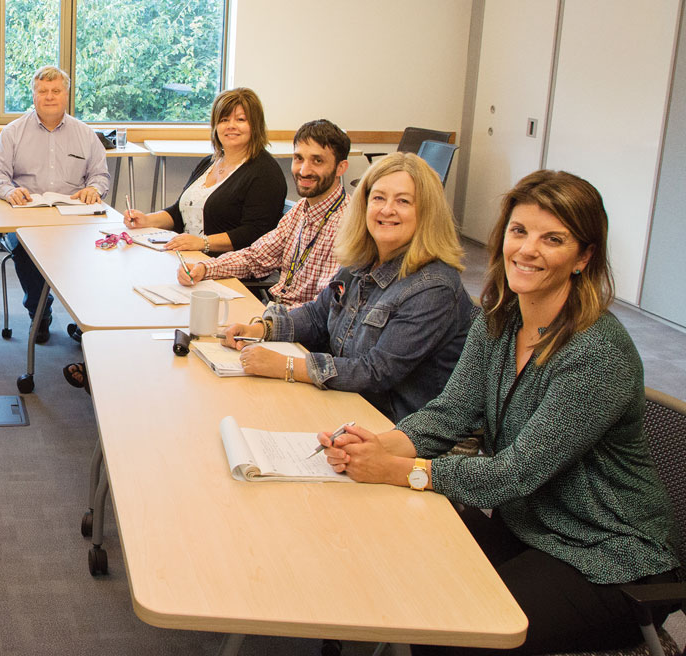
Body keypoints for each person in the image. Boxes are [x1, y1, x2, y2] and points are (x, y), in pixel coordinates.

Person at [319, 170, 681, 654]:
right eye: (518, 231)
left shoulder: (597, 353)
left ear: (584, 257)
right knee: (388, 564)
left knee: (447, 631)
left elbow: (512, 474)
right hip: (529, 526)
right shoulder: (500, 320)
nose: (527, 250)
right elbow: (448, 414)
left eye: (552, 239)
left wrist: (401, 471)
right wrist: (372, 445)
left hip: (606, 555)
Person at [219, 153, 475, 421]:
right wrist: (261, 329)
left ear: (427, 212)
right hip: (348, 403)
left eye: (403, 201)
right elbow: (318, 315)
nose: (387, 210)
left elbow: (376, 372)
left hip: (394, 426)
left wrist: (286, 366)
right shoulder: (363, 260)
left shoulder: (433, 287)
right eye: (378, 198)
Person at [0, 65, 110, 343]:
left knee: (99, 253)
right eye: (43, 91)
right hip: (27, 216)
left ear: (66, 94)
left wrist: (93, 188)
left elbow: (100, 175)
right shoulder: (13, 132)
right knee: (26, 252)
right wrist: (7, 190)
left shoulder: (85, 134)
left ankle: (85, 319)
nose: (50, 96)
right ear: (33, 95)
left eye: (56, 91)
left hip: (74, 218)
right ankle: (39, 312)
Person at [176, 118, 351, 308]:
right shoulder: (301, 209)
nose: (304, 170)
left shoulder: (347, 225)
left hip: (299, 326)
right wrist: (204, 268)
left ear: (340, 168)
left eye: (317, 161)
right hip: (275, 312)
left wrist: (267, 324)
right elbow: (255, 258)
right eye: (299, 158)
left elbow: (323, 309)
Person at [123, 88, 287, 253]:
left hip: (229, 267)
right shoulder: (209, 162)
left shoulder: (266, 173)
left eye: (241, 119)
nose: (231, 126)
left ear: (255, 125)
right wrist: (146, 220)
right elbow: (180, 212)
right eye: (223, 120)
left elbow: (254, 234)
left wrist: (202, 242)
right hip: (190, 257)